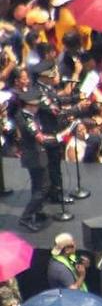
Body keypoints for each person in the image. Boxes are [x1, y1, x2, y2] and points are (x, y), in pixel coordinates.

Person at [12, 87, 53, 232]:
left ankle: (37, 210)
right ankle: (26, 217)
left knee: (38, 186)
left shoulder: (22, 115)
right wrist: (55, 139)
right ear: (29, 105)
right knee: (43, 187)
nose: (37, 107)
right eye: (35, 105)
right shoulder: (27, 119)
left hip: (33, 155)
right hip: (35, 156)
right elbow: (39, 137)